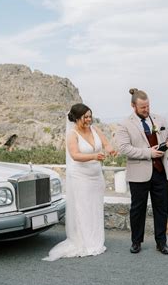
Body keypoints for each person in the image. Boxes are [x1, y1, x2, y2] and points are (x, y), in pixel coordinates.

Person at [43, 103, 116, 261]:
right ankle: (84, 242)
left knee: (95, 207)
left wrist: (110, 149)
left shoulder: (94, 129)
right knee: (83, 208)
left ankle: (95, 240)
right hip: (80, 176)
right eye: (86, 117)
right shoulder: (72, 134)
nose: (89, 119)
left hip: (96, 176)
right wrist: (94, 156)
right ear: (77, 118)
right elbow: (75, 155)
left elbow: (106, 143)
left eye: (90, 116)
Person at [115, 88, 168, 255]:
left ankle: (161, 242)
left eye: (148, 106)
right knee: (137, 209)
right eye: (142, 107)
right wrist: (149, 153)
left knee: (162, 208)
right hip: (139, 173)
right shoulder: (124, 124)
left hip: (160, 171)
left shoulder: (160, 119)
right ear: (133, 106)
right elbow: (125, 149)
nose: (146, 110)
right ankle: (136, 242)